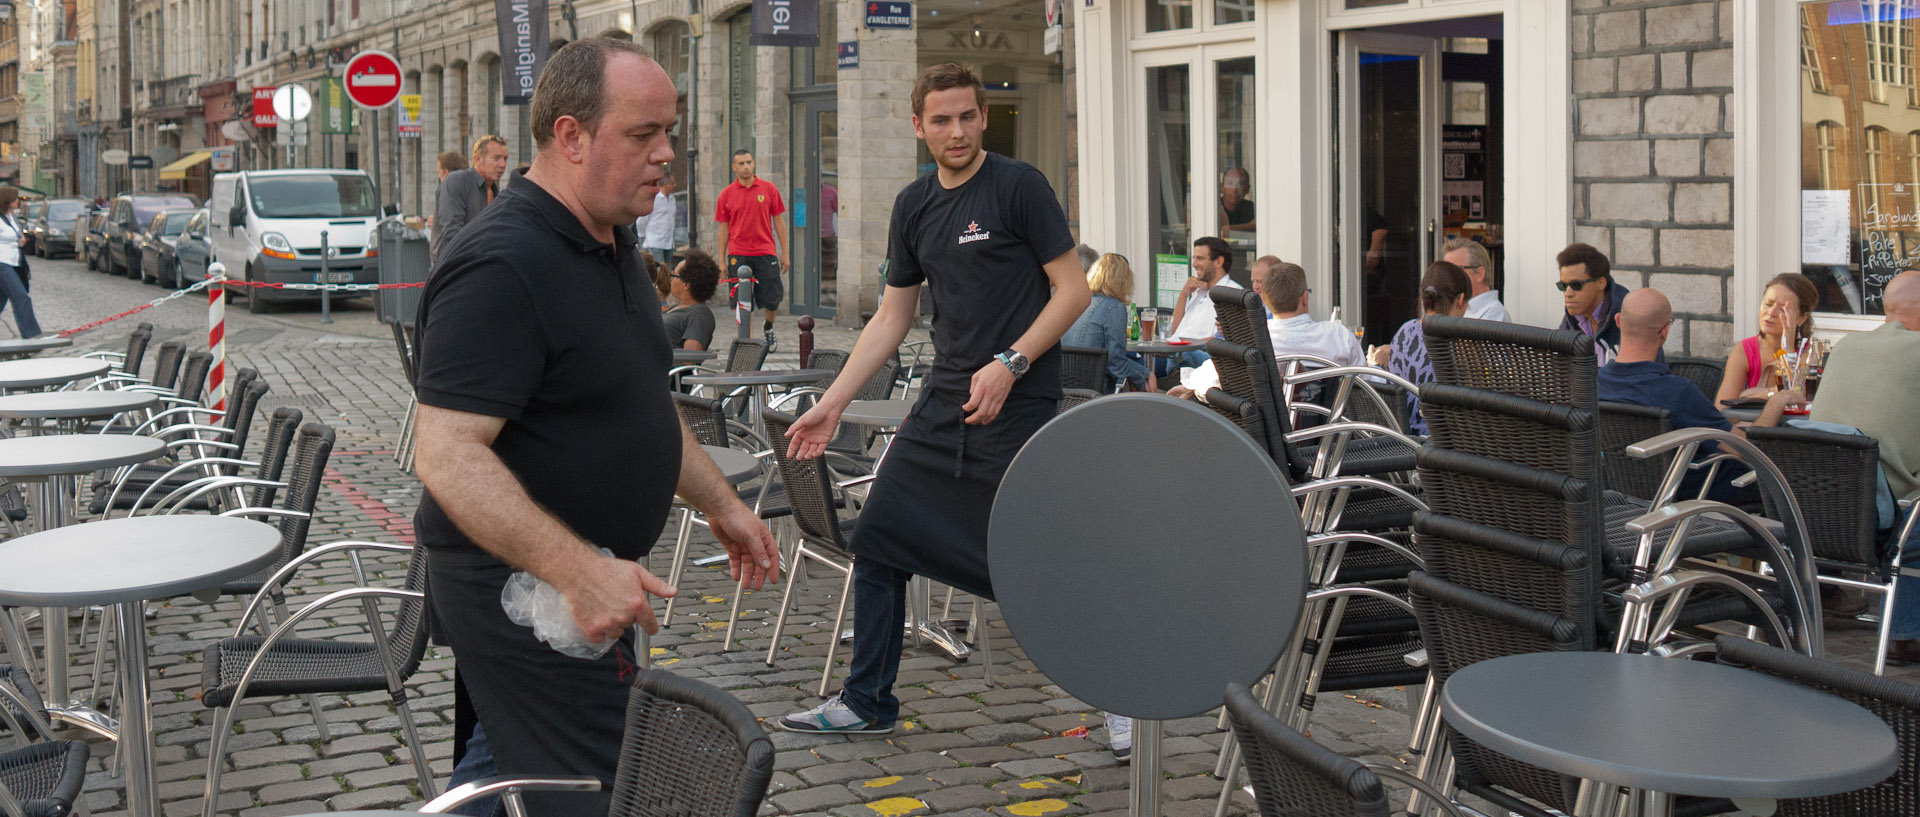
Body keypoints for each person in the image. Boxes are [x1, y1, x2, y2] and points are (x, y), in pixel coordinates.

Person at [410, 38, 780, 816]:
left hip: (588, 582)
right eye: (643, 135)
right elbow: (446, 454)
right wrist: (579, 573)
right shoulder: (502, 261)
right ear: (571, 136)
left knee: (520, 776)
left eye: (669, 134)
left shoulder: (613, 241)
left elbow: (637, 404)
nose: (667, 155)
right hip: (528, 594)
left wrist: (720, 502)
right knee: (594, 791)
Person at [776, 63, 1089, 738]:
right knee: (882, 533)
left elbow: (1074, 290)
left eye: (967, 116)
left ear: (983, 117)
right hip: (940, 403)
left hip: (1018, 404)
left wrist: (1012, 360)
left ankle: (1124, 696)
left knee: (1037, 561)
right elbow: (891, 318)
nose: (957, 131)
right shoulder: (913, 206)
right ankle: (867, 700)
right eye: (941, 120)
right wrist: (832, 402)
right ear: (918, 127)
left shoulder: (1019, 188)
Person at [1811, 270, 1920, 661]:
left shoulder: (1844, 347)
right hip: (1881, 525)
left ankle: (1905, 630)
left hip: (1816, 517)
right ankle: (1905, 634)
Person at [1599, 288, 1795, 502]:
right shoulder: (1677, 392)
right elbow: (1747, 450)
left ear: (1618, 321)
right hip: (1695, 501)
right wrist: (1777, 402)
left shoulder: (1593, 384)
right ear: (1664, 332)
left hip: (1621, 500)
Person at [1171, 259, 1362, 398]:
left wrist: (1190, 385)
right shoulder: (1339, 336)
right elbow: (1368, 384)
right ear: (1304, 298)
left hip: (1266, 445)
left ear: (1264, 299)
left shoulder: (1251, 338)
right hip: (1330, 442)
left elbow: (1211, 378)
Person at [1368, 261, 1471, 434]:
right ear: (1460, 299)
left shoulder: (1406, 331)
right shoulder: (1455, 341)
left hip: (1401, 440)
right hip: (1440, 444)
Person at [714, 148, 789, 347]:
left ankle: (768, 327)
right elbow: (723, 229)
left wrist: (785, 254)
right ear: (734, 167)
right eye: (741, 163)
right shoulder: (726, 195)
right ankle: (748, 340)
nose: (746, 167)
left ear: (753, 163)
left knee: (773, 298)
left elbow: (779, 222)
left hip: (765, 251)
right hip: (738, 253)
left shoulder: (768, 189)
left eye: (748, 162)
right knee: (741, 301)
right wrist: (721, 260)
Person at [1716, 272, 1819, 405]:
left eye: (1783, 309)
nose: (1771, 313)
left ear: (1801, 318)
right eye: (1768, 304)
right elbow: (1721, 409)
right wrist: (1772, 393)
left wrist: (1788, 348)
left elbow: (1796, 397)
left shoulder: (1811, 352)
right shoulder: (1744, 350)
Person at [1063, 253, 1152, 392]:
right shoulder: (1114, 307)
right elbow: (1116, 364)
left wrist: (1146, 373)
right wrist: (1142, 382)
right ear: (1123, 280)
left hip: (1066, 389)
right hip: (1097, 394)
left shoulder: (1079, 302)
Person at [1161, 236, 1243, 379]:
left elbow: (1225, 339)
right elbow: (1172, 331)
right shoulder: (1199, 291)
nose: (1194, 264)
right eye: (1194, 258)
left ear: (1218, 262)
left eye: (1200, 258)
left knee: (1181, 355)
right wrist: (1184, 293)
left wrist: (1187, 345)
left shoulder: (1232, 293)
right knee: (1136, 361)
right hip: (1178, 354)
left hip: (1205, 359)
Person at [431, 135, 510, 264]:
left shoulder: (496, 193)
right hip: (452, 270)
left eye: (505, 159)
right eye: (496, 158)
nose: (502, 164)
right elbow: (453, 232)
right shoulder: (457, 181)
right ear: (477, 159)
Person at [1557, 242, 1634, 364]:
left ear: (1600, 284)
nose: (1568, 293)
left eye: (1575, 285)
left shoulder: (1631, 316)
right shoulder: (1572, 318)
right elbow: (1559, 366)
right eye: (1563, 286)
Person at [1441, 237, 1509, 322]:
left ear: (1479, 274)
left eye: (1455, 270)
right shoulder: (1454, 308)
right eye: (1446, 271)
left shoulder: (1494, 313)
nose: (1448, 277)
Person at [663, 249, 720, 351]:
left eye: (674, 275)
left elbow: (690, 357)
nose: (671, 279)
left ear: (686, 284)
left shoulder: (699, 313)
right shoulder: (676, 308)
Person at [0, 188, 38, 339]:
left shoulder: (10, 217)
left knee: (2, 299)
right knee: (20, 296)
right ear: (7, 200)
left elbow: (16, 234)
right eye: (16, 199)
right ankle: (31, 335)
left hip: (13, 262)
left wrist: (20, 238)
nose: (18, 201)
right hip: (2, 263)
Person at [638, 172, 677, 268]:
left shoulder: (672, 199)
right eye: (673, 183)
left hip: (669, 242)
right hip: (655, 241)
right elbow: (642, 220)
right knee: (659, 272)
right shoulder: (654, 198)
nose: (675, 185)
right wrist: (643, 236)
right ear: (665, 184)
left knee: (667, 273)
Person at [1220, 167, 1255, 232]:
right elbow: (1222, 231)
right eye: (1230, 183)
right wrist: (1248, 226)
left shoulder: (1252, 209)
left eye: (1240, 184)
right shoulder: (1215, 208)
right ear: (1222, 187)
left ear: (1247, 189)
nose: (1234, 189)